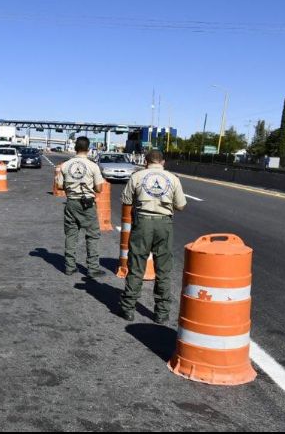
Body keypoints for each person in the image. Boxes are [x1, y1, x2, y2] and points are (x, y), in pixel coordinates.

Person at [118, 149, 187, 324]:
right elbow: (181, 206)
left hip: (142, 223)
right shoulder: (173, 179)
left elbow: (126, 200)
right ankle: (162, 313)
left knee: (136, 266)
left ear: (145, 162)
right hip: (164, 224)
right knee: (163, 269)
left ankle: (128, 308)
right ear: (163, 162)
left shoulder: (137, 176)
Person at [55, 136, 105, 277]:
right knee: (92, 235)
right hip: (87, 204)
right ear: (88, 150)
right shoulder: (93, 166)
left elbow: (59, 186)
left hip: (71, 202)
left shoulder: (65, 165)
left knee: (71, 234)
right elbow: (100, 189)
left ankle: (70, 267)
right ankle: (92, 267)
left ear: (75, 148)